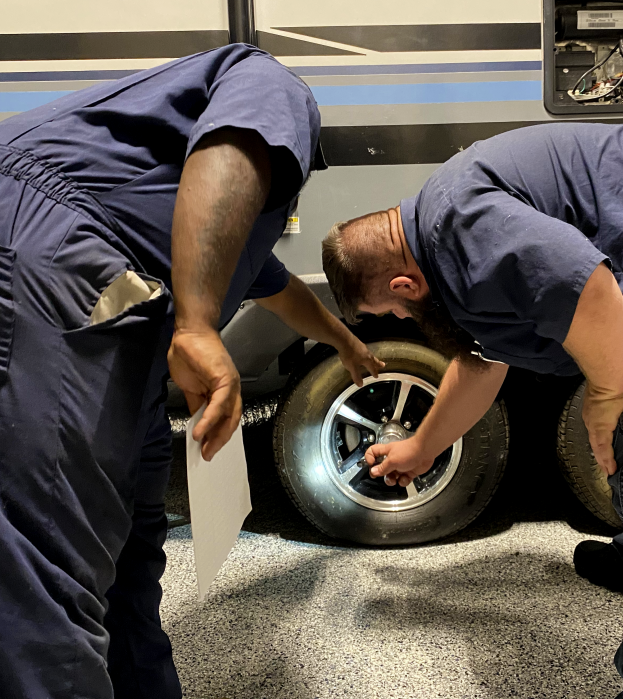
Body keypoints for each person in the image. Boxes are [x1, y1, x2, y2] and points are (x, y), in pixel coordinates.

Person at [321, 122, 623, 699]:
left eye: (392, 313)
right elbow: (482, 363)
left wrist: (606, 395)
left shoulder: (462, 228)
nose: (401, 322)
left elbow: (589, 286)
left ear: (403, 282)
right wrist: (421, 447)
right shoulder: (443, 239)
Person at [0, 43, 382, 699]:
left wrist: (344, 342)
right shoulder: (273, 87)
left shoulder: (192, 207)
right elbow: (240, 142)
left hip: (108, 293)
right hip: (50, 245)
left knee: (129, 548)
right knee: (40, 565)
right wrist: (199, 325)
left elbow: (275, 284)